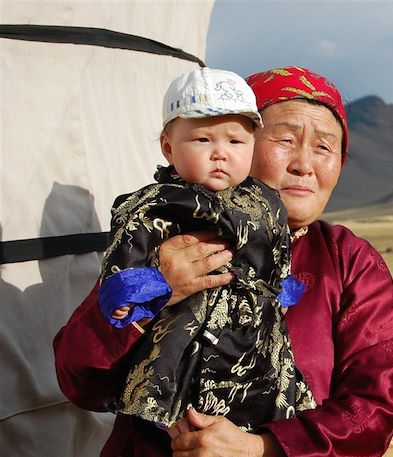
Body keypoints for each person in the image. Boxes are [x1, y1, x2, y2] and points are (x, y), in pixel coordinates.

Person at [54, 66, 393, 457]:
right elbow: (81, 379)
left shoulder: (349, 263)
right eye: (284, 139)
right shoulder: (169, 237)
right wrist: (158, 288)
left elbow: (371, 412)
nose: (304, 163)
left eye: (324, 147)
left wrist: (260, 453)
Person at [99, 67, 315, 435]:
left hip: (254, 322)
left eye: (235, 142)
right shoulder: (162, 201)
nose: (220, 154)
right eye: (202, 141)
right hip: (190, 323)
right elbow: (133, 236)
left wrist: (281, 285)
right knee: (186, 401)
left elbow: (275, 242)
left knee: (266, 391)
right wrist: (127, 290)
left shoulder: (264, 199)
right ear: (169, 147)